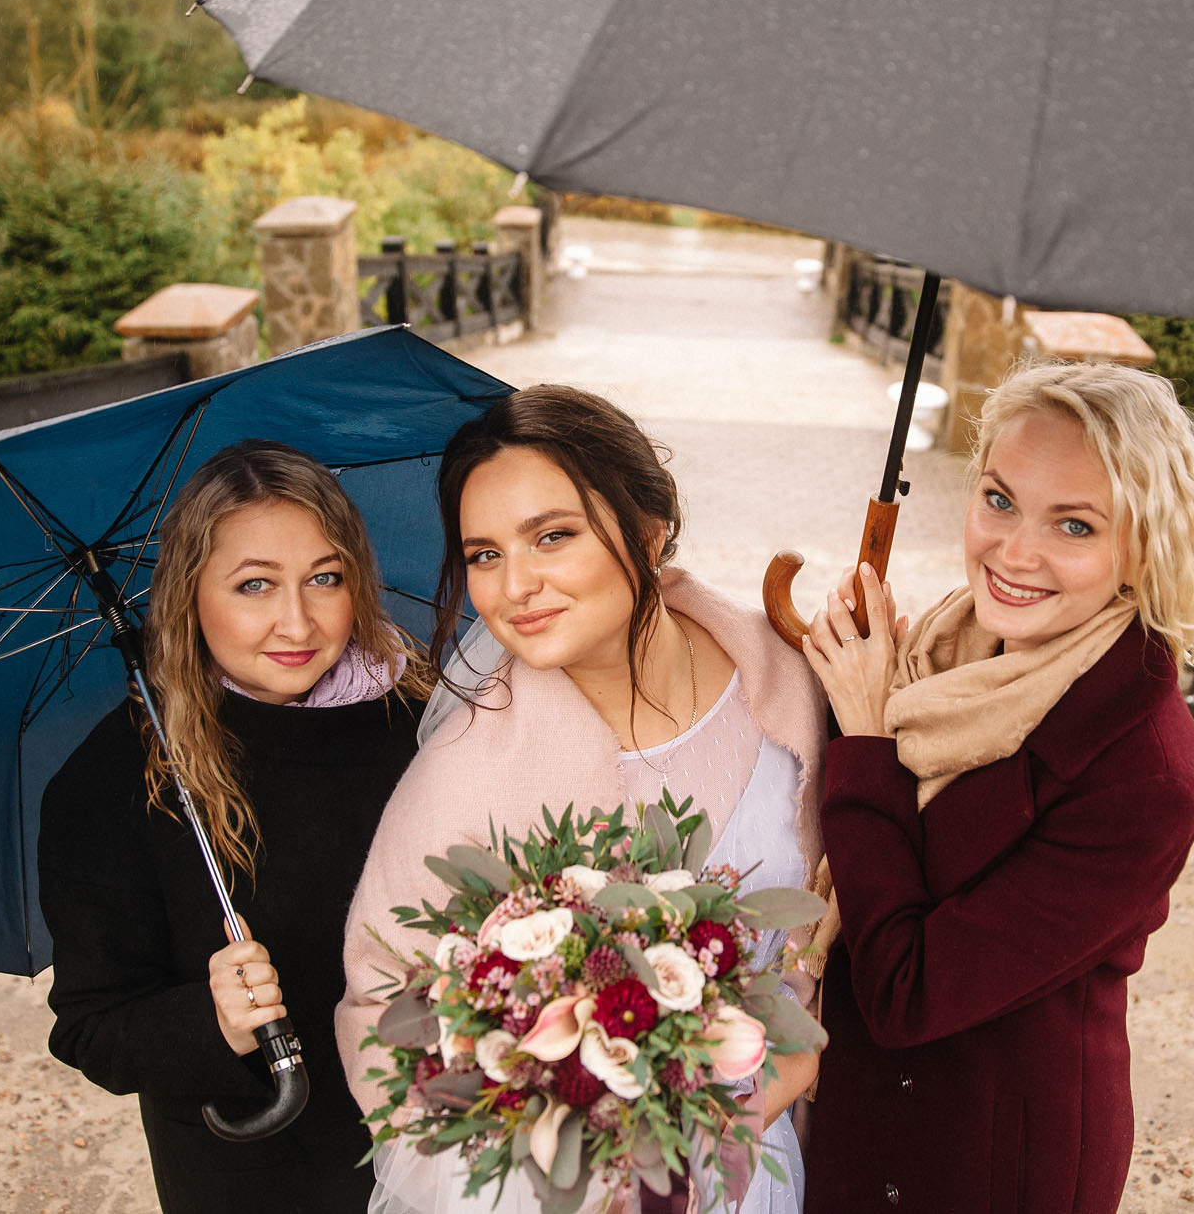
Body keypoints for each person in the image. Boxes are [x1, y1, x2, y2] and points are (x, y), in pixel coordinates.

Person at [336, 385, 827, 1214]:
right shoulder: (464, 776)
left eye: (552, 536)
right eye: (484, 553)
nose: (514, 586)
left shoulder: (787, 685)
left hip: (767, 1170)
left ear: (648, 528)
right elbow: (381, 1004)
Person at [799, 361, 1194, 1214]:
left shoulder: (1142, 774)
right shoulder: (945, 652)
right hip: (860, 1114)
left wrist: (868, 735)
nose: (1014, 552)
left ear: (1144, 548)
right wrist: (855, 688)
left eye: (1074, 525)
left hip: (982, 1160)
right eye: (999, 499)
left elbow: (908, 986)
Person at [39, 439, 432, 1213]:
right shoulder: (117, 779)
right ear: (189, 594)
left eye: (326, 576)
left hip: (436, 1140)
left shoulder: (420, 723)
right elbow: (92, 1024)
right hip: (255, 1169)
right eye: (255, 585)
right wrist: (210, 1021)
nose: (298, 619)